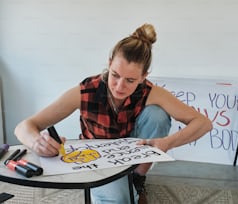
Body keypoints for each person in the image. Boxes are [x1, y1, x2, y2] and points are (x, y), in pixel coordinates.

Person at [14, 23, 213, 204]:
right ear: (109, 64)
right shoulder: (85, 91)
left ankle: (137, 179)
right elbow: (24, 127)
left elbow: (203, 123)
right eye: (115, 75)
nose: (119, 86)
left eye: (130, 80)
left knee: (157, 115)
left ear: (144, 77)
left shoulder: (151, 92)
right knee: (118, 200)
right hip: (96, 161)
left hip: (132, 156)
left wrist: (167, 143)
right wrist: (36, 142)